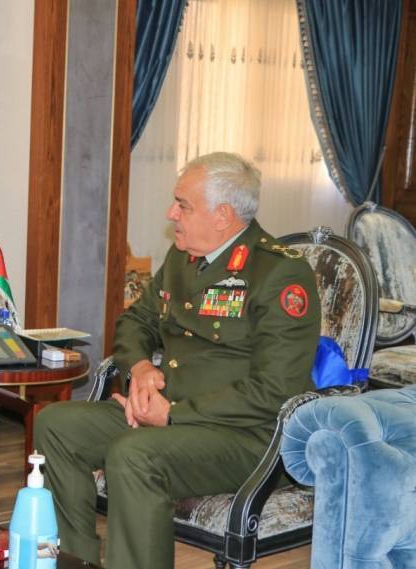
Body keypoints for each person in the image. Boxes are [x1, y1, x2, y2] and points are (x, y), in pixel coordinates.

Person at [34, 152, 321, 568]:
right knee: (56, 425)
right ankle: (74, 561)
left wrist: (173, 415)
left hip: (246, 437)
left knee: (134, 454)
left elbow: (275, 391)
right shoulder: (182, 259)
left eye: (183, 205)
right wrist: (140, 370)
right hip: (168, 414)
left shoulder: (279, 274)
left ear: (223, 216)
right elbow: (135, 321)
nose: (171, 214)